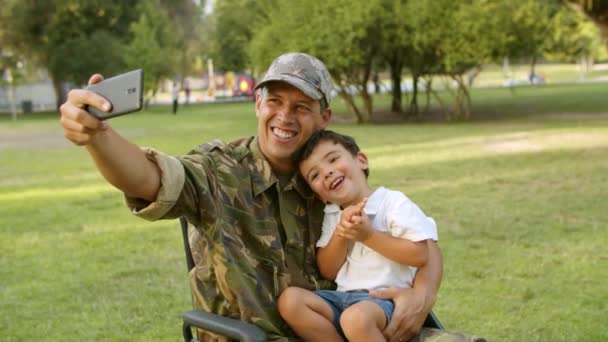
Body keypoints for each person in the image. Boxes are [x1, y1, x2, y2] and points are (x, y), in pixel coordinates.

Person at [59, 52, 449, 342]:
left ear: (323, 119)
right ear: (258, 103)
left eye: (301, 107)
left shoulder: (328, 180)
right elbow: (148, 178)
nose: (285, 117)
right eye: (275, 101)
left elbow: (417, 238)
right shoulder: (218, 168)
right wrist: (99, 137)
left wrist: (423, 293)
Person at [279, 130, 437, 342]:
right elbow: (328, 270)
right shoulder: (333, 214)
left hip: (383, 300)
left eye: (333, 159)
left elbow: (420, 255)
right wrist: (341, 234)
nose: (326, 172)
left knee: (355, 319)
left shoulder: (392, 203)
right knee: (290, 302)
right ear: (320, 195)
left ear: (361, 161)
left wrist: (368, 236)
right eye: (314, 175)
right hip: (343, 298)